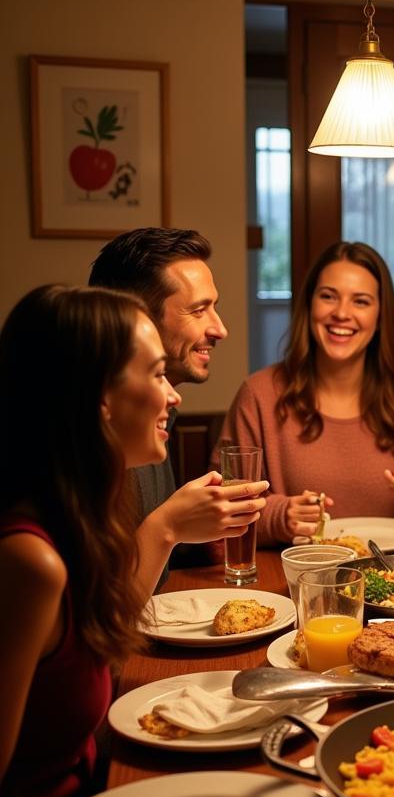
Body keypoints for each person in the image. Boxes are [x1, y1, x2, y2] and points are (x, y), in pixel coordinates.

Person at [0, 285, 186, 797]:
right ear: (99, 400)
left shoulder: (87, 517)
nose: (173, 394)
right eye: (157, 374)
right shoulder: (30, 561)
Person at [218, 241, 394, 543]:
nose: (342, 313)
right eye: (328, 296)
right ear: (309, 305)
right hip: (291, 577)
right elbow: (224, 504)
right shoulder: (258, 394)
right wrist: (282, 516)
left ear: (381, 315)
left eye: (361, 301)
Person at [90, 228, 267, 583]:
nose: (220, 329)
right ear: (137, 319)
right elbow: (98, 613)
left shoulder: (159, 417)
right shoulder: (96, 435)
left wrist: (201, 529)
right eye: (199, 310)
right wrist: (169, 526)